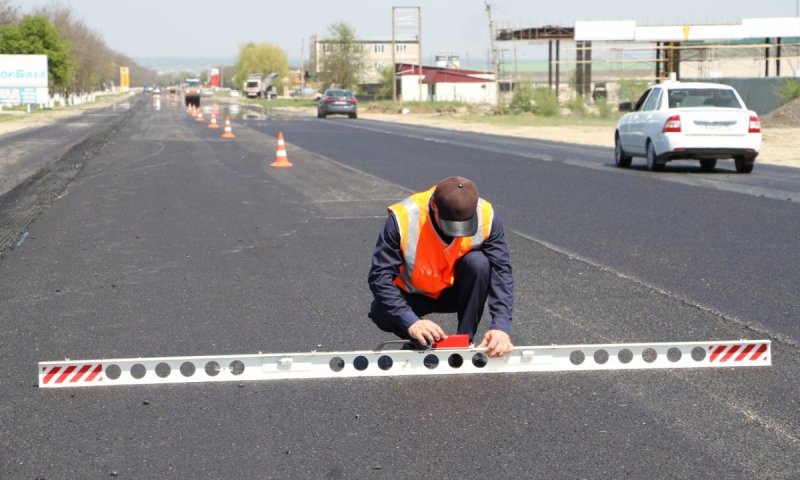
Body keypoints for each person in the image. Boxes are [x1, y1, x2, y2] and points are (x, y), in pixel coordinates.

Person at [368, 176, 514, 358]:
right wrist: (411, 321)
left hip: (454, 292)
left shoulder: (486, 215)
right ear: (434, 206)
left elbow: (501, 271)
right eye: (451, 226)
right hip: (413, 294)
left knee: (479, 263)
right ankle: (421, 340)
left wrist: (501, 327)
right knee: (381, 312)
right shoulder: (404, 218)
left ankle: (462, 344)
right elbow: (380, 277)